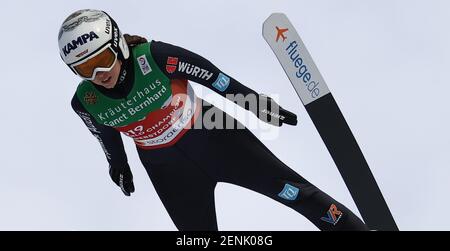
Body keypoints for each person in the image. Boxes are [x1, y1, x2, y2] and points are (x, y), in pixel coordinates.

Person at [58, 9, 369, 231]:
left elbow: (217, 79)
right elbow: (106, 134)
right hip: (167, 169)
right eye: (85, 69)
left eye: (102, 61)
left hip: (215, 137)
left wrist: (256, 104)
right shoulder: (86, 101)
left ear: (118, 45)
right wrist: (118, 165)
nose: (100, 75)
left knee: (294, 192)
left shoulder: (154, 57)